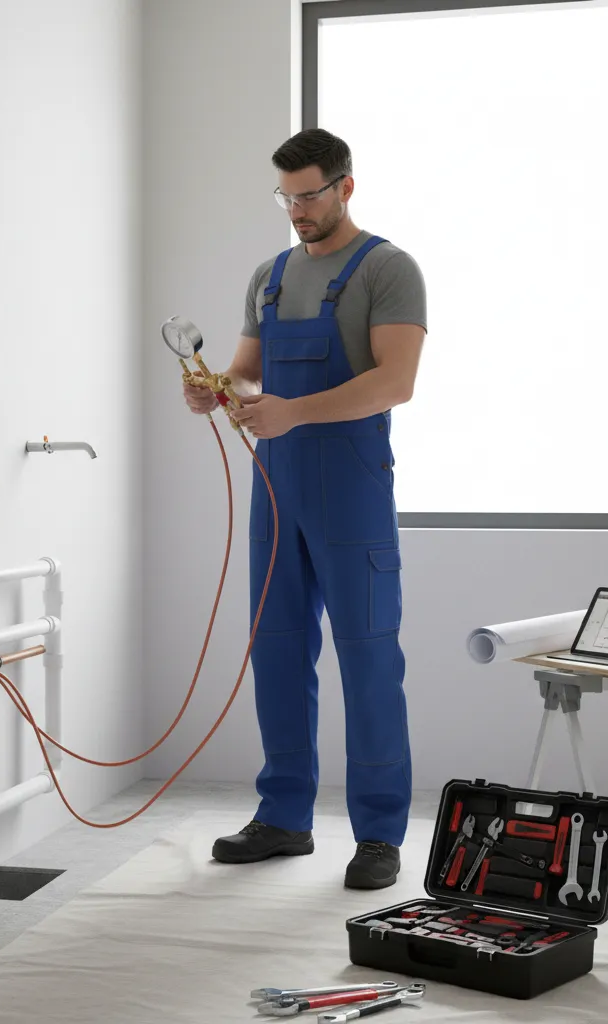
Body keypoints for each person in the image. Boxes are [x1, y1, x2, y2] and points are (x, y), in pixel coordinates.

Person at [183, 128, 427, 889]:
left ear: (345, 187)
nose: (297, 210)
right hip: (277, 486)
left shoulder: (388, 270)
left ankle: (380, 834)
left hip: (351, 489)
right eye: (286, 197)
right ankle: (284, 817)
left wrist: (295, 412)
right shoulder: (268, 275)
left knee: (369, 657)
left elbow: (396, 382)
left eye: (310, 194)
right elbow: (252, 379)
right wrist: (216, 388)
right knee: (279, 651)